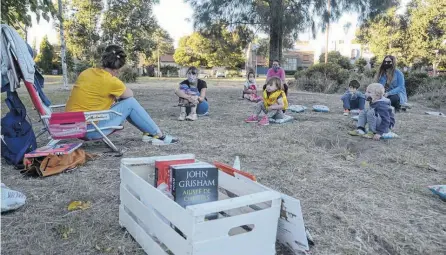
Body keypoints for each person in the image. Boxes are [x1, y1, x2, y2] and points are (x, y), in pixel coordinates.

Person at [65, 45, 179, 145]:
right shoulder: (111, 81)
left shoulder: (86, 72)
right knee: (130, 103)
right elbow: (129, 95)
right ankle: (158, 135)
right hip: (91, 130)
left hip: (73, 127)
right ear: (119, 68)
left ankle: (149, 133)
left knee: (125, 102)